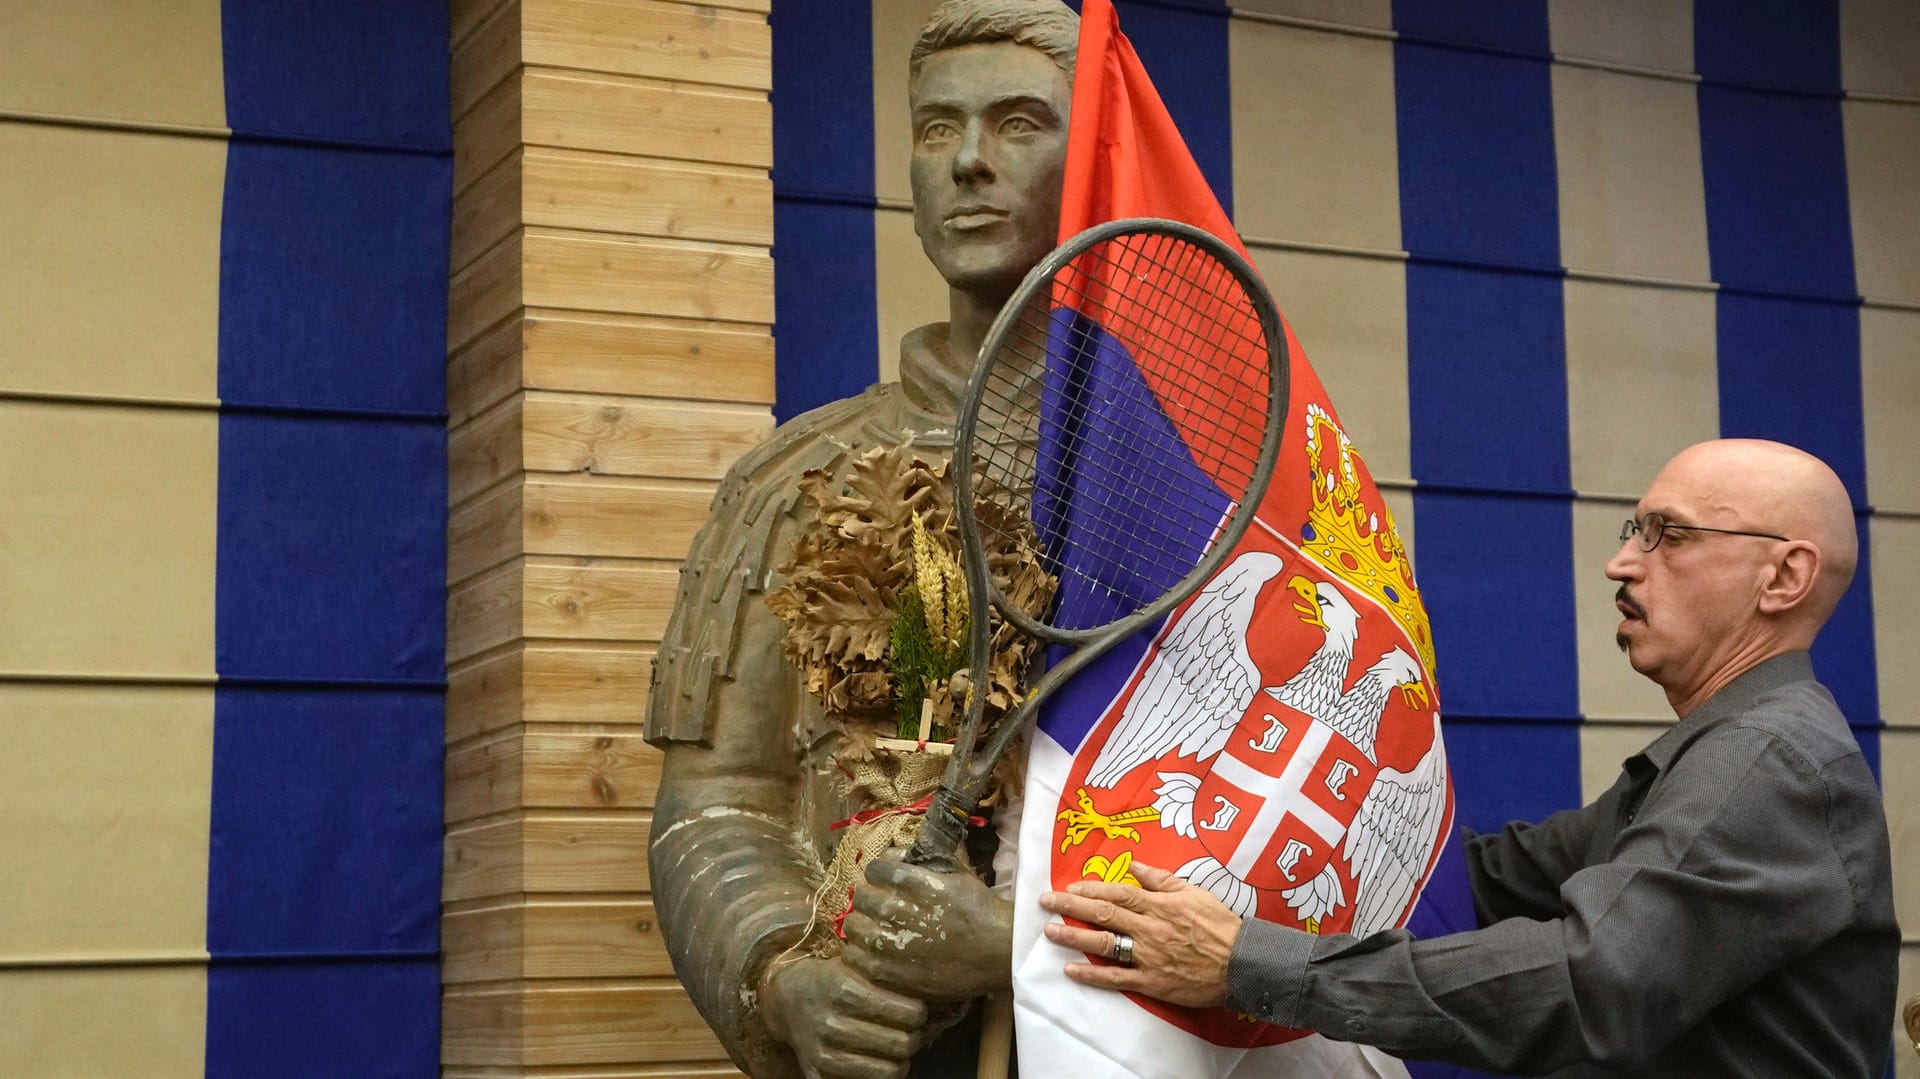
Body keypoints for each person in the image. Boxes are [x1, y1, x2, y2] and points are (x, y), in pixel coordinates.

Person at [1039, 438, 1899, 1077]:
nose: (1620, 562)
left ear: (1782, 578)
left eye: (1668, 535)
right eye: (1635, 528)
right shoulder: (1726, 750)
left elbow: (1591, 981)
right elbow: (1476, 877)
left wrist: (1247, 963)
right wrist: (1218, 857)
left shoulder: (1764, 759)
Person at [644, 3, 1077, 1077]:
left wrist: (1026, 943)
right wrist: (783, 976)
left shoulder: (1183, 479)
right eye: (937, 130)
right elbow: (718, 802)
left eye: (1018, 122)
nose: (970, 162)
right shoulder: (795, 477)